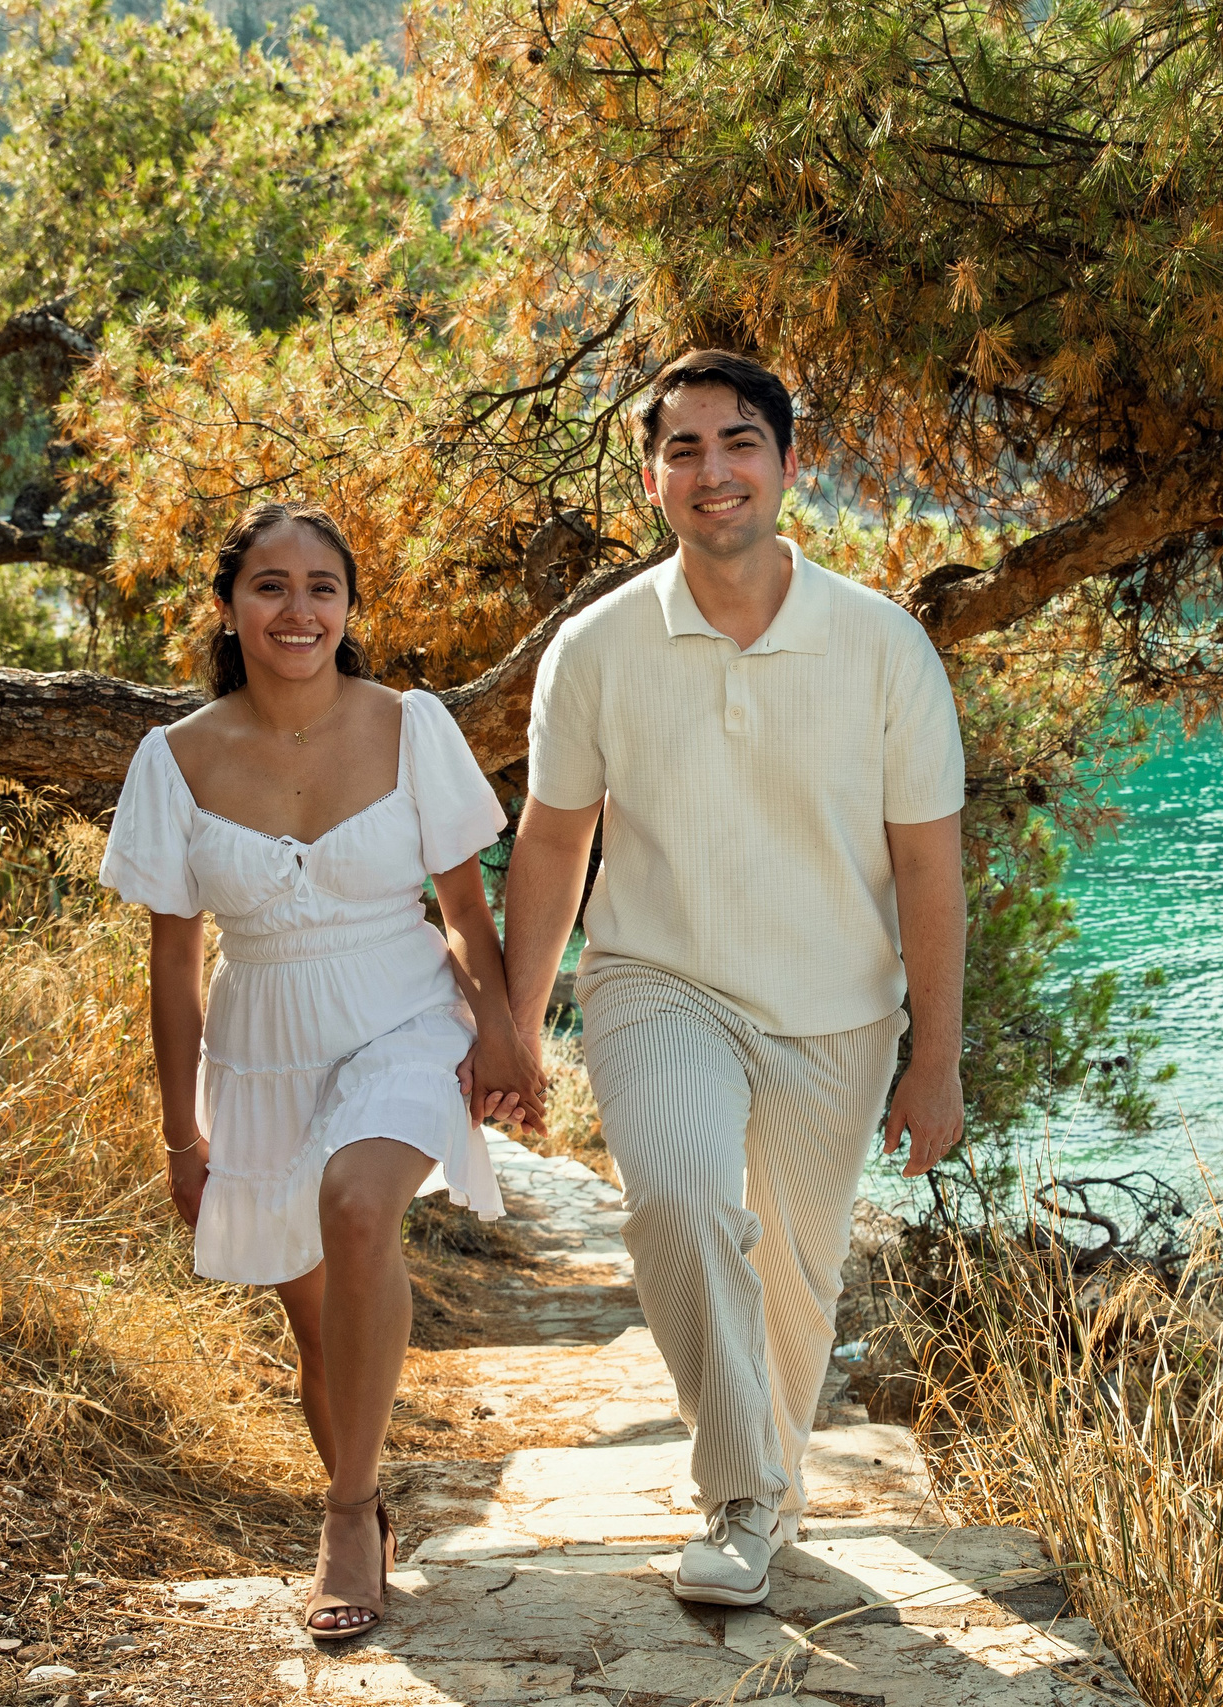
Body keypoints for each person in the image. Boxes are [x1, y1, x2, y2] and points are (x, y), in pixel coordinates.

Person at [501, 350, 969, 1609]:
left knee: (798, 1290)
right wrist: (517, 1029)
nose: (713, 471)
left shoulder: (881, 645)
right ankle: (742, 1497)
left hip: (837, 1011)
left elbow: (927, 867)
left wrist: (934, 1058)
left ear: (787, 464)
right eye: (685, 449)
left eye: (739, 442)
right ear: (653, 481)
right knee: (677, 1201)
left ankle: (766, 1486)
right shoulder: (595, 648)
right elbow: (553, 841)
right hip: (659, 982)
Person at [98, 500, 541, 1641]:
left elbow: (463, 906)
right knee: (317, 1331)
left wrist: (501, 1033)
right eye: (271, 585)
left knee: (356, 1206)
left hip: (402, 1016)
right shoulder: (174, 760)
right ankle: (368, 1497)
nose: (298, 610)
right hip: (262, 1048)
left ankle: (342, 1519)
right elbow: (174, 964)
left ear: (348, 608)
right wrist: (180, 1138)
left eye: (322, 588)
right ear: (228, 606)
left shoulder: (411, 724)